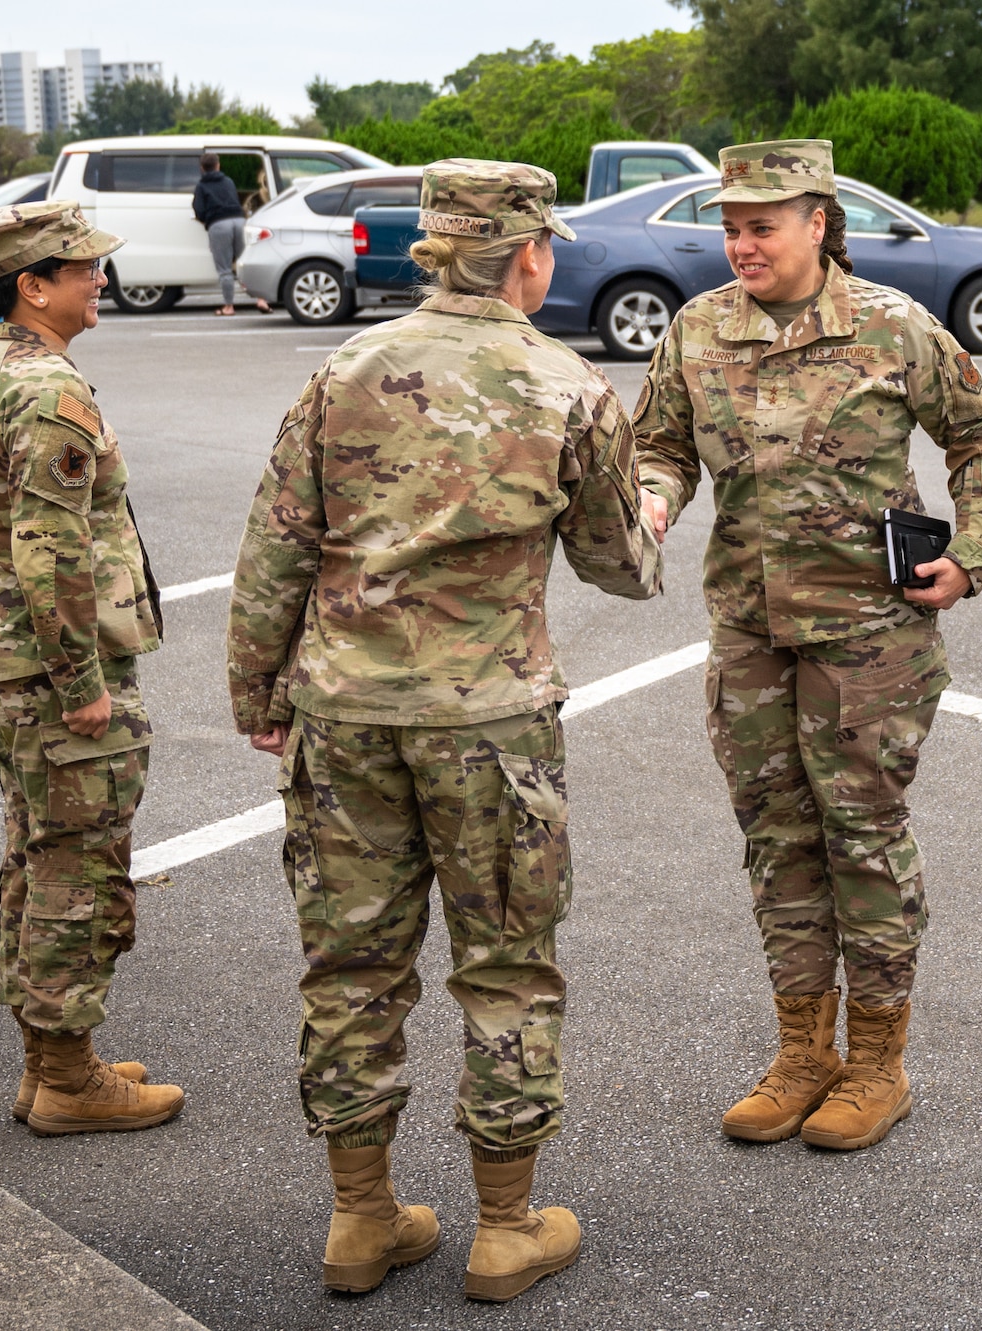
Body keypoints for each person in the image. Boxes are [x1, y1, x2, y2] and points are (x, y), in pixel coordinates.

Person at [225, 159, 661, 1302]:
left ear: (431, 248)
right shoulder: (564, 382)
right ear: (527, 253)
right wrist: (649, 508)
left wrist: (257, 693)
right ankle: (504, 1224)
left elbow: (274, 545)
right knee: (507, 963)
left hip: (345, 716)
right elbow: (622, 569)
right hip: (489, 723)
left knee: (351, 966)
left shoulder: (342, 367)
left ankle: (361, 1218)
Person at [633, 140, 982, 1152]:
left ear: (816, 221)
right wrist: (654, 498)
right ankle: (802, 1049)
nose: (739, 243)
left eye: (760, 225)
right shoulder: (696, 329)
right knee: (775, 836)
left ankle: (877, 1063)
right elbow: (660, 446)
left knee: (861, 834)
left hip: (867, 637)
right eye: (728, 225)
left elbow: (977, 436)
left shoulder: (890, 328)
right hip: (751, 632)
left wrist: (971, 553)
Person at [0, 200, 182, 1136]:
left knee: (38, 853)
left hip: (4, 655)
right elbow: (52, 551)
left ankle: (51, 1062)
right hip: (50, 667)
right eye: (83, 269)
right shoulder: (48, 390)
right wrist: (82, 685)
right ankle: (70, 1077)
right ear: (32, 286)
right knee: (79, 865)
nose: (101, 280)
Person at [192, 152, 269, 315]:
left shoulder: (201, 186)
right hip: (239, 221)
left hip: (219, 225)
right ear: (218, 165)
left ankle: (229, 307)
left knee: (225, 269)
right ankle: (261, 299)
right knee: (246, 263)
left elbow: (198, 210)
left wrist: (207, 219)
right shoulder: (228, 181)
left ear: (202, 168)